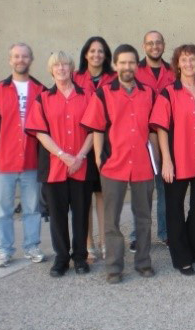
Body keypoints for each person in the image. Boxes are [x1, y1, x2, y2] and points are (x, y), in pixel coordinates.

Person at [81, 44, 157, 284]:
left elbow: (154, 129)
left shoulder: (148, 92)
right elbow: (96, 128)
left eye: (131, 62)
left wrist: (156, 157)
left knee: (144, 217)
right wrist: (99, 161)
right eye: (122, 62)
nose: (127, 67)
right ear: (114, 65)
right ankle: (114, 267)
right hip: (114, 165)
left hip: (143, 165)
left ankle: (143, 262)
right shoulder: (103, 93)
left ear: (137, 65)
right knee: (111, 219)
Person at [0, 43, 47, 268]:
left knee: (32, 208)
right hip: (3, 161)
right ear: (10, 60)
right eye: (16, 56)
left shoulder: (41, 90)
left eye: (25, 56)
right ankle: (5, 250)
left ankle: (32, 246)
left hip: (32, 160)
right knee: (3, 210)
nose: (20, 60)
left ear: (31, 60)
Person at [25, 51, 94, 277]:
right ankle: (62, 258)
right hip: (55, 167)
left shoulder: (86, 95)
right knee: (57, 216)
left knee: (81, 214)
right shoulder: (43, 98)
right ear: (51, 70)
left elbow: (94, 128)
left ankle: (80, 257)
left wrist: (80, 156)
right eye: (57, 66)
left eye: (65, 65)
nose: (62, 69)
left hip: (81, 165)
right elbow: (41, 133)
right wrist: (64, 156)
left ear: (71, 68)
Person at [150, 44, 195, 276]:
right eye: (184, 60)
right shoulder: (169, 92)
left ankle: (194, 250)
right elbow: (161, 128)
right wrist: (166, 161)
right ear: (177, 64)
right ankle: (181, 258)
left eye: (192, 59)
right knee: (174, 208)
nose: (188, 64)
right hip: (178, 158)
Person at [73, 36, 116, 261]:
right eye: (92, 51)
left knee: (103, 195)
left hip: (108, 143)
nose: (96, 55)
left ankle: (105, 242)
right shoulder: (75, 78)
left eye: (101, 51)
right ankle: (89, 245)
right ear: (85, 54)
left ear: (106, 55)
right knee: (84, 197)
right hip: (81, 144)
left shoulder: (114, 78)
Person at [132, 30, 176, 249]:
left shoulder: (173, 71)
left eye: (158, 43)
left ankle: (165, 232)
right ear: (144, 46)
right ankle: (137, 234)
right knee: (143, 189)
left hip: (167, 135)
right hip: (141, 137)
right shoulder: (135, 71)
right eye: (150, 43)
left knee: (164, 187)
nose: (154, 46)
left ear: (164, 45)